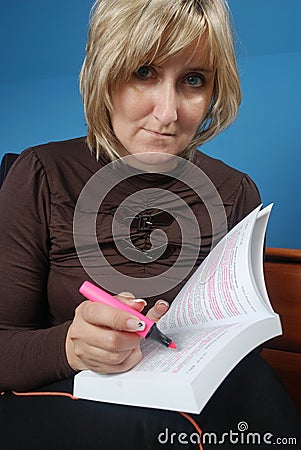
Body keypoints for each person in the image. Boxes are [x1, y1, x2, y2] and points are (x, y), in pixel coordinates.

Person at [0, 0, 300, 449]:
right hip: (63, 400)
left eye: (193, 81)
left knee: (258, 391)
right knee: (155, 432)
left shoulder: (235, 192)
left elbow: (241, 347)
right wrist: (71, 347)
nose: (168, 114)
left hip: (186, 401)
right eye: (144, 73)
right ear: (106, 75)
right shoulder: (41, 173)